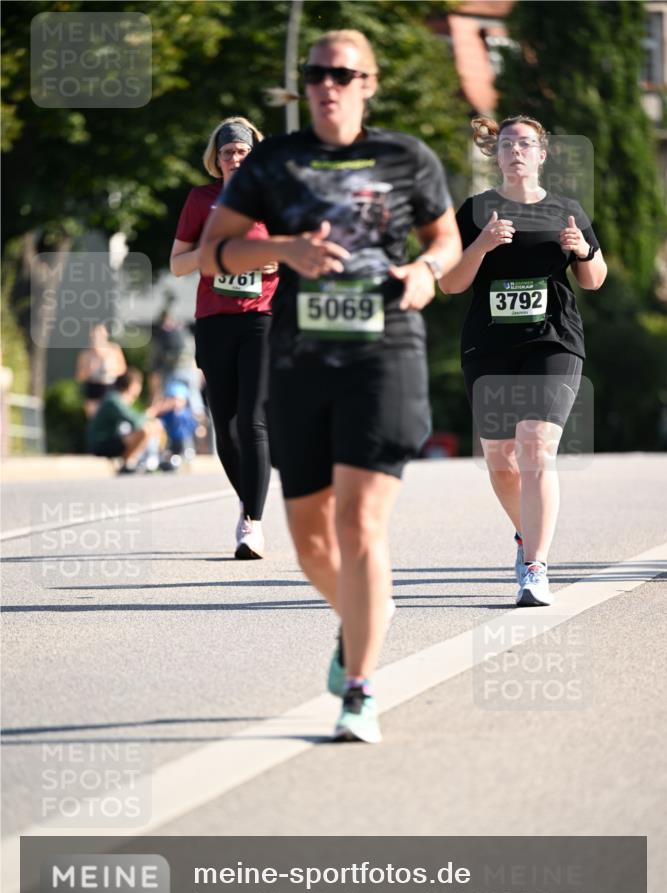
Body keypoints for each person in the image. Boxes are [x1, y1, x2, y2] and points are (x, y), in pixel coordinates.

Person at [198, 30, 461, 742]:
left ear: (368, 82)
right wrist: (282, 248)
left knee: (358, 523)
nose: (328, 83)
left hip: (385, 349)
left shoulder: (407, 157)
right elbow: (213, 251)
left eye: (344, 73)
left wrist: (425, 271)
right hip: (298, 355)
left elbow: (445, 239)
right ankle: (361, 614)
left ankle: (359, 689)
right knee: (311, 538)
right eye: (317, 72)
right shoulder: (274, 163)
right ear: (306, 85)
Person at [440, 115, 607, 606]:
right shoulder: (474, 211)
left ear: (542, 154)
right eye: (508, 143)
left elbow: (594, 278)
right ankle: (525, 534)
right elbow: (450, 283)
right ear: (497, 155)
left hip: (552, 339)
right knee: (501, 457)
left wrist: (581, 251)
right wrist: (481, 245)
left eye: (526, 144)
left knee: (535, 445)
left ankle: (534, 566)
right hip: (489, 345)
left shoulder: (565, 210)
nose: (516, 150)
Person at [170, 117, 279, 559]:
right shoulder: (202, 200)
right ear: (216, 160)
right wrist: (212, 255)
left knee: (251, 419)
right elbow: (178, 264)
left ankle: (252, 523)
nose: (235, 159)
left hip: (262, 318)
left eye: (242, 152)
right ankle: (246, 498)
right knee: (226, 425)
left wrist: (277, 261)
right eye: (227, 152)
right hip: (214, 319)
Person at [87, 368, 163, 473]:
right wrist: (150, 413)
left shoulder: (120, 399)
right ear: (132, 386)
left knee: (152, 426)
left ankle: (149, 459)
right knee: (145, 431)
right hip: (102, 444)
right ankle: (128, 463)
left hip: (113, 439)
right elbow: (136, 422)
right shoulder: (114, 400)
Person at [75, 323, 127, 417]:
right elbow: (79, 377)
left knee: (110, 417)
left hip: (110, 387)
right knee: (94, 418)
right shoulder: (86, 353)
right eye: (95, 335)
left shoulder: (114, 349)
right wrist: (89, 370)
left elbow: (123, 368)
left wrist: (111, 370)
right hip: (93, 389)